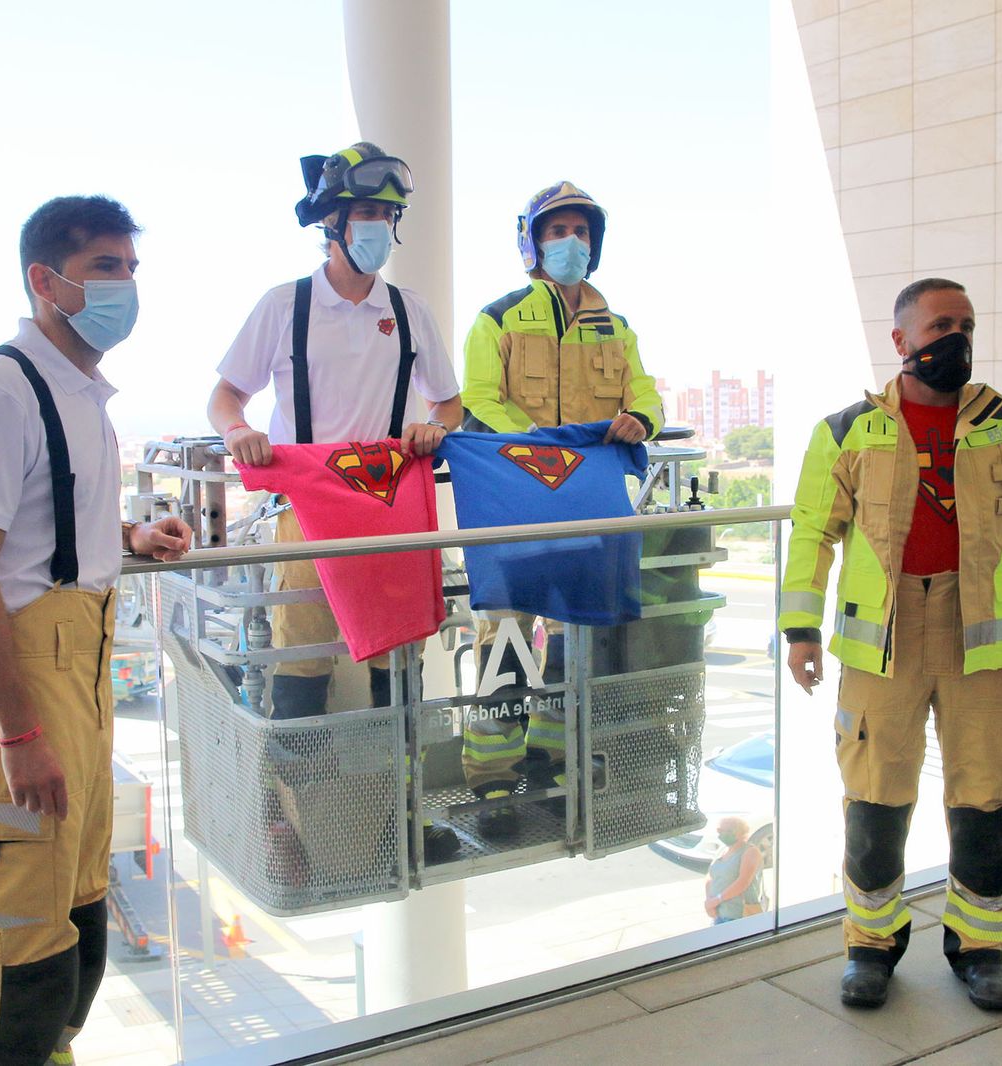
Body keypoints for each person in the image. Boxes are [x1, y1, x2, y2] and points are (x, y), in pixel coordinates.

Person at [0, 195, 191, 1066]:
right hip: (21, 684)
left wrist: (130, 538)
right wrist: (22, 731)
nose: (126, 286)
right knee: (19, 943)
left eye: (130, 268)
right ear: (47, 282)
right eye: (105, 269)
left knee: (76, 911)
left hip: (83, 667)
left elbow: (45, 522)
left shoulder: (82, 396)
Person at [779, 277, 1002, 1013]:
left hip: (977, 640)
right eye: (941, 325)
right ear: (902, 341)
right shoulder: (848, 430)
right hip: (884, 642)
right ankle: (870, 947)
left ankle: (979, 951)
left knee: (986, 799)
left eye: (967, 324)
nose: (957, 338)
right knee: (875, 798)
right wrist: (801, 629)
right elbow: (812, 534)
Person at [206, 142, 463, 860]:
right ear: (332, 224)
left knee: (397, 668)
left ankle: (403, 819)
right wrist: (239, 432)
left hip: (390, 510)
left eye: (389, 214)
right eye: (367, 214)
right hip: (309, 512)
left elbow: (450, 403)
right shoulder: (284, 306)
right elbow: (226, 395)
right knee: (302, 660)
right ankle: (300, 825)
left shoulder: (409, 312)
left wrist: (431, 428)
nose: (379, 226)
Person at [457, 182, 665, 837]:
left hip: (588, 508)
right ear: (533, 242)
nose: (570, 242)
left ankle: (550, 760)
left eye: (581, 231)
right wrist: (547, 451)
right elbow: (479, 399)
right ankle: (492, 784)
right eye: (557, 231)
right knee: (506, 644)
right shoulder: (498, 319)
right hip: (517, 503)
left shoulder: (618, 328)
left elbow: (647, 396)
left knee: (576, 637)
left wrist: (638, 419)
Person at [703, 817, 764, 924]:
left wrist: (717, 900)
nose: (723, 834)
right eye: (720, 830)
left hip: (739, 916)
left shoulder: (750, 851)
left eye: (729, 831)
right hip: (719, 915)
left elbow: (743, 882)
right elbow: (710, 876)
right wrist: (709, 901)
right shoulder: (723, 850)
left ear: (741, 832)